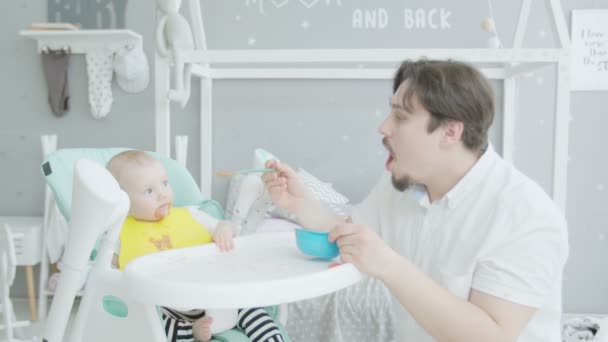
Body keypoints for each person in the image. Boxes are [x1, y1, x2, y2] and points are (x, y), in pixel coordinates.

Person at [262, 59, 569, 341]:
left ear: (450, 132)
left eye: (400, 116)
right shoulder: (402, 186)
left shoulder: (525, 215)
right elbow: (350, 234)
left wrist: (389, 266)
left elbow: (492, 336)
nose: (383, 127)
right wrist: (301, 204)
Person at [107, 150, 285, 342]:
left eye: (164, 183)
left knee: (252, 310)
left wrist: (223, 230)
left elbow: (224, 226)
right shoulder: (118, 233)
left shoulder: (191, 215)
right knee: (148, 323)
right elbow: (106, 271)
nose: (162, 194)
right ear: (122, 200)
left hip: (215, 297)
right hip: (168, 308)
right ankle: (192, 331)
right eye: (149, 191)